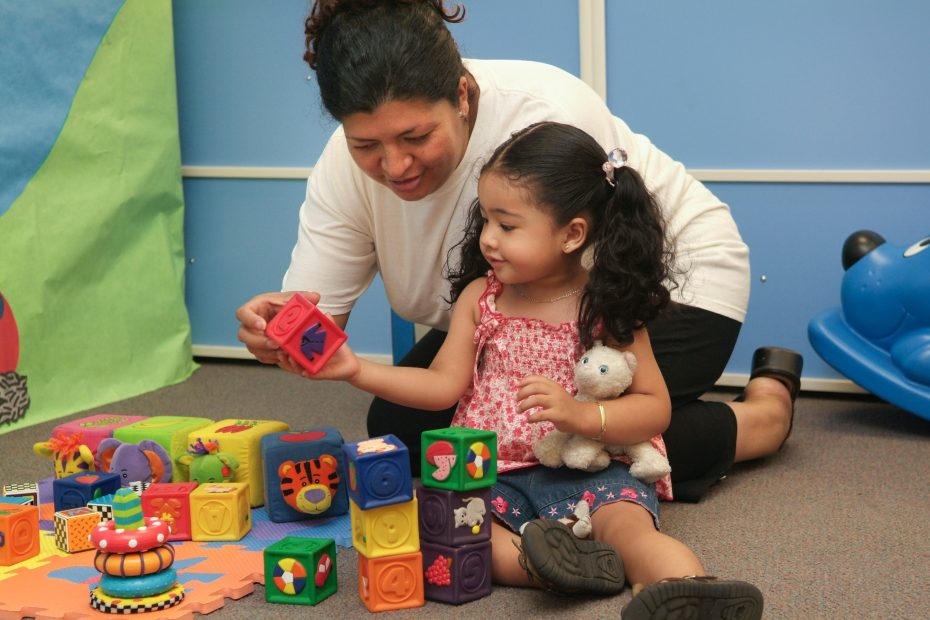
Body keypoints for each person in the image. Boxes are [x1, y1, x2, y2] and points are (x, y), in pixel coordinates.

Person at [235, 0, 803, 502]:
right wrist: (279, 331)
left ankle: (763, 416)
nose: (395, 166)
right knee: (402, 425)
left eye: (415, 137)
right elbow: (317, 324)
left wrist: (568, 416)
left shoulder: (542, 111)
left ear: (462, 92)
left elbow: (581, 288)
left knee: (581, 444)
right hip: (514, 309)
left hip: (649, 291)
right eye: (366, 145)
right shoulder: (343, 164)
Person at [300, 121, 764, 618]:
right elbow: (441, 386)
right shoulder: (484, 298)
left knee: (629, 529)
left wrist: (581, 417)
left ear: (572, 234)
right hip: (489, 472)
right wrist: (354, 369)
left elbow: (655, 409)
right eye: (486, 222)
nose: (489, 241)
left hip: (592, 468)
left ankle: (687, 588)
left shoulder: (607, 306)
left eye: (508, 225)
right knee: (444, 533)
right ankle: (564, 564)